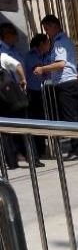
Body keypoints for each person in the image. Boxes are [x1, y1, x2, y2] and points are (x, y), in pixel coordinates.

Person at [34, 15, 78, 158]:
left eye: (47, 29)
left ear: (54, 26)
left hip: (65, 83)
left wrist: (43, 69)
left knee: (71, 118)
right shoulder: (65, 40)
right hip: (70, 82)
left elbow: (61, 64)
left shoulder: (59, 42)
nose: (46, 32)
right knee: (74, 116)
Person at [0, 21, 43, 168]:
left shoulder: (11, 50)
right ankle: (26, 157)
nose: (16, 38)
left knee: (14, 127)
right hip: (10, 95)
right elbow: (17, 65)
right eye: (14, 35)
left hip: (15, 93)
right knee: (19, 126)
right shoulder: (2, 52)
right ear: (7, 35)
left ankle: (18, 159)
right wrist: (23, 80)